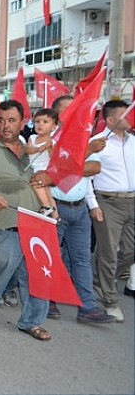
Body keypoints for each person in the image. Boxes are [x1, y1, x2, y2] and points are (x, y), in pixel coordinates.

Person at [0, 100, 52, 341]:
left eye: (12, 120)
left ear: (23, 123)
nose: (6, 125)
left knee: (37, 275)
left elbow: (53, 176)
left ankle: (32, 321)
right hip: (6, 223)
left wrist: (48, 179)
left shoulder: (32, 152)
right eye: (1, 120)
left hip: (37, 223)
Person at [30, 95, 116, 325]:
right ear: (57, 115)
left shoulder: (82, 137)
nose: (76, 114)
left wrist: (70, 167)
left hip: (79, 209)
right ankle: (48, 301)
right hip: (54, 207)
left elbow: (94, 168)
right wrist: (82, 157)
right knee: (50, 258)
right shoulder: (47, 138)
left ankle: (87, 307)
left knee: (81, 260)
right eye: (70, 110)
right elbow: (50, 169)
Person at [88, 99, 134, 323]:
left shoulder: (133, 142)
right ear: (111, 119)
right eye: (127, 113)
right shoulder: (98, 143)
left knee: (130, 251)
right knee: (107, 253)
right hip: (107, 202)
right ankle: (110, 300)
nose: (131, 116)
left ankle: (100, 280)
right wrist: (93, 205)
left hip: (132, 202)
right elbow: (86, 177)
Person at [25, 108, 59, 219]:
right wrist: (40, 148)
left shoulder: (52, 141)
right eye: (37, 121)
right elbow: (28, 150)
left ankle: (47, 207)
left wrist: (49, 147)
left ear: (53, 127)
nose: (40, 124)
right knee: (47, 193)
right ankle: (54, 214)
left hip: (44, 169)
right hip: (34, 166)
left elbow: (54, 157)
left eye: (45, 122)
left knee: (37, 185)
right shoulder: (32, 138)